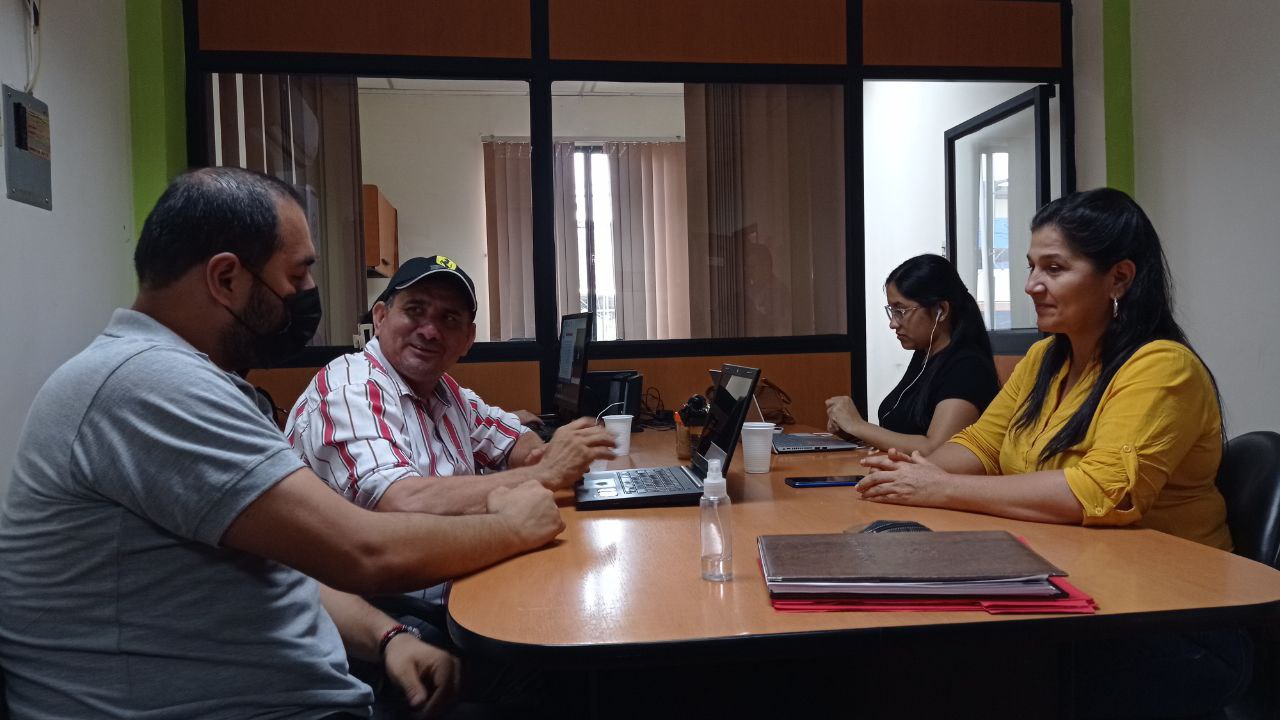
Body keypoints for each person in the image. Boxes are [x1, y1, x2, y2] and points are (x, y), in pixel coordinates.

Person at [0, 167, 566, 719]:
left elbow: (283, 568)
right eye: (297, 276)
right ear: (226, 279)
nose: (307, 294)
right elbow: (364, 552)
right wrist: (513, 526)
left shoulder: (190, 379)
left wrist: (388, 637)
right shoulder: (150, 384)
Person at [858, 188, 1247, 718]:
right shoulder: (1044, 358)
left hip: (1173, 620)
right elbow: (981, 444)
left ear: (1119, 278)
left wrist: (939, 487)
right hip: (1071, 586)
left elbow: (1100, 492)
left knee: (942, 665)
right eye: (1031, 266)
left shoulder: (1161, 367)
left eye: (1054, 268)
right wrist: (909, 474)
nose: (1031, 285)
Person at [285, 255, 615, 516]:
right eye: (415, 310)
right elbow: (398, 502)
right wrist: (546, 472)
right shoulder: (352, 388)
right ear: (381, 317)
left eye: (449, 319)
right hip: (374, 583)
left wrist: (542, 455)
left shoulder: (446, 392)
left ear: (468, 339)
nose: (430, 331)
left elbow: (513, 437)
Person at [826, 254, 1000, 454]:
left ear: (941, 310)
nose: (893, 323)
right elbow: (902, 435)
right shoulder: (924, 355)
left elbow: (937, 448)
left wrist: (858, 425)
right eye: (892, 311)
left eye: (901, 311)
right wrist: (852, 431)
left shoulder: (968, 367)